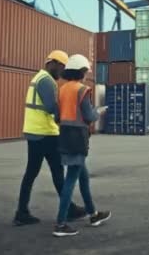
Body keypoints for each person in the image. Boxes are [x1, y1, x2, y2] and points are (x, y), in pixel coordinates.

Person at [14, 50, 87, 226]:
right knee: (57, 173)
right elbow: (51, 108)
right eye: (61, 67)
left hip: (36, 132)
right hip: (45, 134)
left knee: (32, 173)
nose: (62, 72)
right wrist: (70, 120)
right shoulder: (46, 80)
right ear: (52, 63)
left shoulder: (39, 78)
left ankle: (22, 212)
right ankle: (68, 210)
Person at [53, 54, 111, 237]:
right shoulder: (82, 90)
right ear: (81, 71)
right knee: (71, 180)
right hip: (78, 138)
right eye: (86, 71)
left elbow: (56, 116)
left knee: (83, 177)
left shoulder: (61, 90)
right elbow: (89, 116)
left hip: (64, 136)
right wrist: (99, 112)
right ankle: (60, 224)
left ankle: (93, 214)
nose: (86, 74)